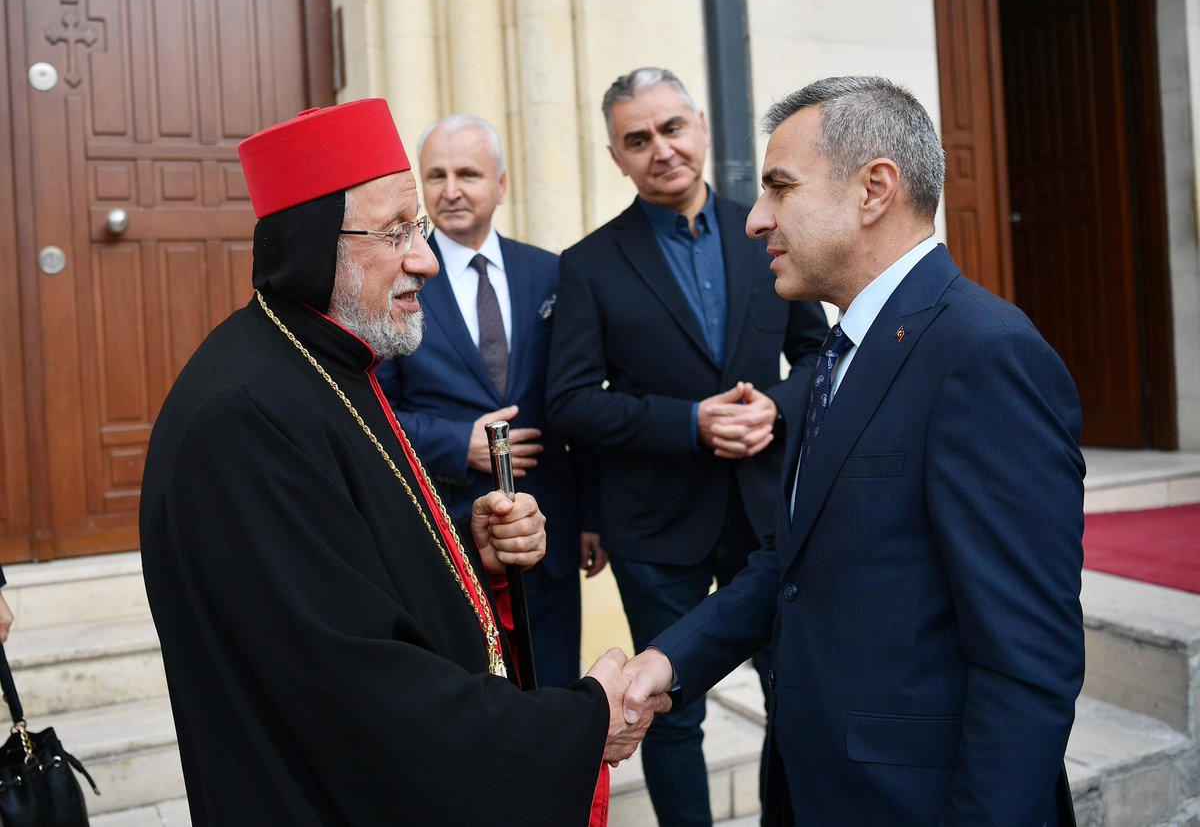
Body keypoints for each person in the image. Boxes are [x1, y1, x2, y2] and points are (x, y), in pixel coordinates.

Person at [139, 99, 662, 825]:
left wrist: (463, 548)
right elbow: (352, 683)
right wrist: (576, 722)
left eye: (415, 228)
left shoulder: (333, 361)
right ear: (314, 242)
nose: (424, 256)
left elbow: (349, 565)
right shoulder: (242, 416)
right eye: (396, 232)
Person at [623, 75, 1085, 825]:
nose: (756, 219)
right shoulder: (837, 356)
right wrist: (670, 659)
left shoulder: (986, 355)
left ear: (874, 190)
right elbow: (795, 561)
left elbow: (1026, 665)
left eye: (779, 187)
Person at [545, 67, 828, 826]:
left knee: (793, 692)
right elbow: (568, 401)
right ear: (616, 157)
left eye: (672, 128)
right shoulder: (589, 264)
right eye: (638, 139)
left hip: (768, 511)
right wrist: (689, 422)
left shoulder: (768, 229)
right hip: (655, 523)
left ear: (701, 127)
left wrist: (775, 403)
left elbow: (819, 356)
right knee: (668, 712)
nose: (660, 149)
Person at [375, 114, 603, 689]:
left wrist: (590, 517)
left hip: (547, 536)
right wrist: (459, 443)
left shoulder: (551, 272)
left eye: (469, 173)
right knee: (472, 700)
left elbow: (579, 403)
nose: (451, 190)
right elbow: (370, 411)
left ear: (501, 185)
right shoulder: (398, 278)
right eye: (437, 175)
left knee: (553, 695)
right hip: (446, 533)